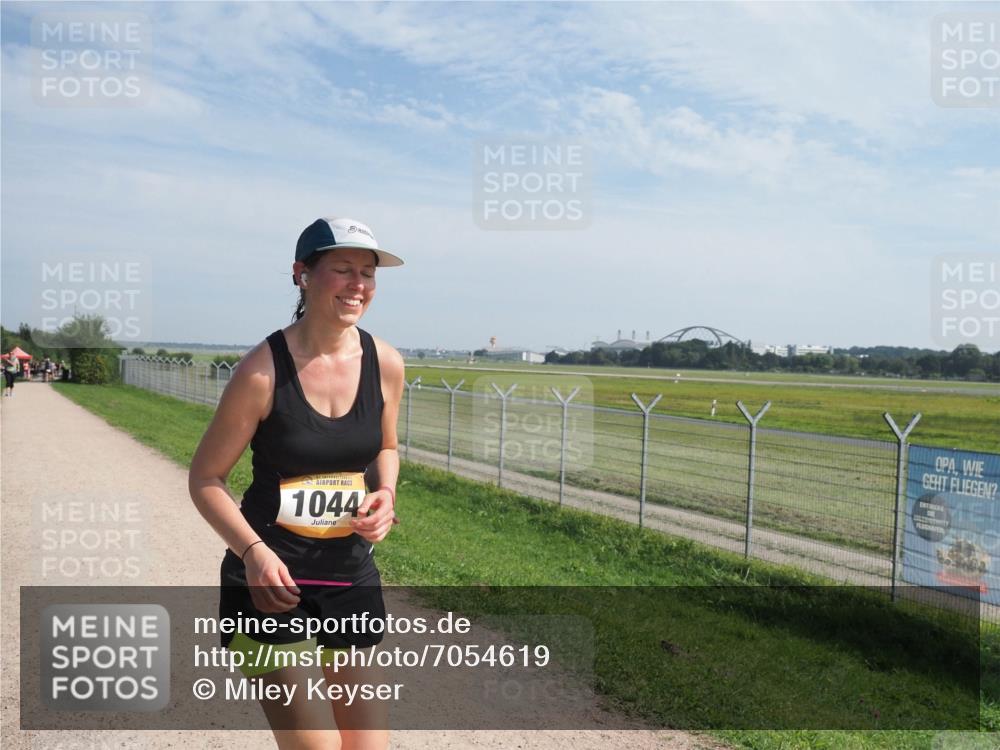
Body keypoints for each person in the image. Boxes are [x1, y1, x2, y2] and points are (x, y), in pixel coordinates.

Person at [189, 216, 405, 749]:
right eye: (343, 270)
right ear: (301, 275)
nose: (359, 284)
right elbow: (206, 478)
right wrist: (253, 553)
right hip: (267, 579)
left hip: (347, 571)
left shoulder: (386, 363)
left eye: (368, 273)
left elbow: (386, 447)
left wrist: (386, 492)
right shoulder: (262, 372)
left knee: (366, 745)